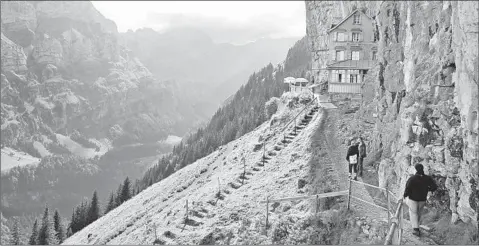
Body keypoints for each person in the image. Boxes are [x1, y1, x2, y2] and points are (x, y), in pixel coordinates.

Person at [401, 164, 437, 236]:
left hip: (413, 199)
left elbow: (407, 188)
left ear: (416, 170)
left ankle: (416, 229)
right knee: (418, 213)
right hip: (422, 199)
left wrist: (404, 196)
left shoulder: (412, 178)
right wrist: (427, 189)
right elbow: (434, 187)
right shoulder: (427, 178)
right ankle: (417, 226)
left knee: (413, 213)